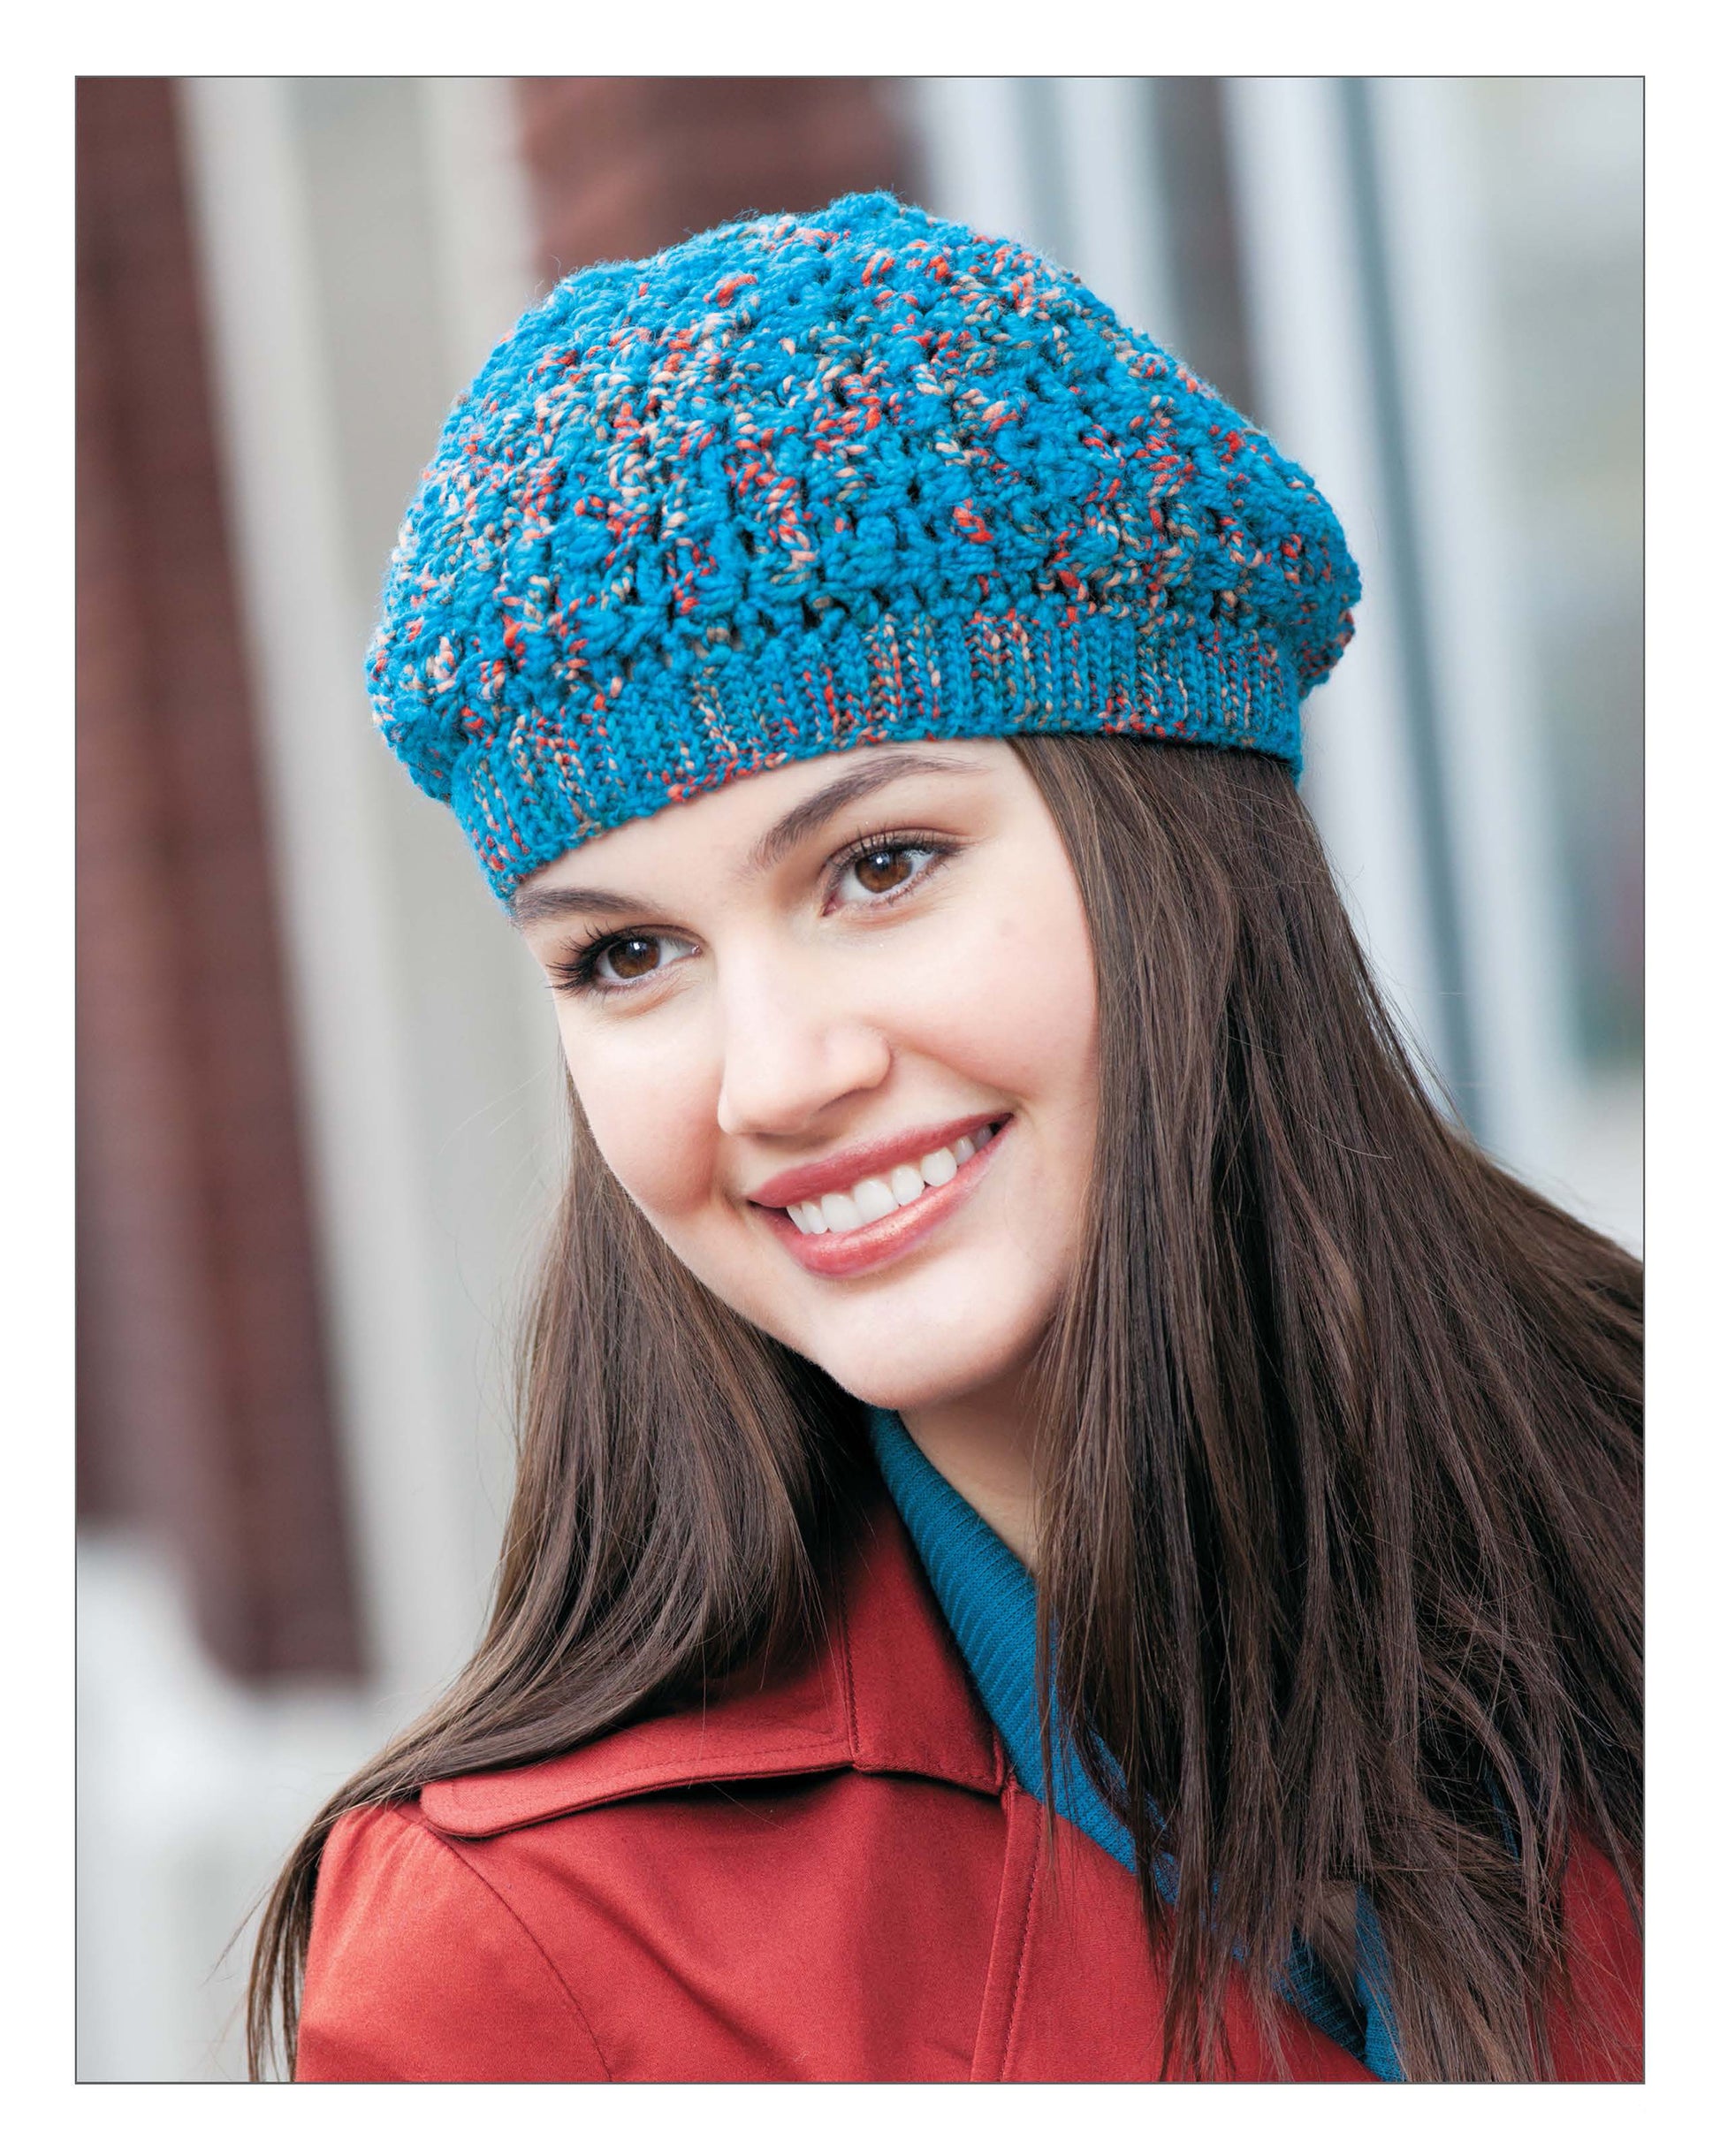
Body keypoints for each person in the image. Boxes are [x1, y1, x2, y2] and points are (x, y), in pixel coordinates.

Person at [248, 192, 1642, 2083]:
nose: (770, 1075)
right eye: (628, 953)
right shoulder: (529, 1955)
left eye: (879, 864)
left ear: (1182, 856)